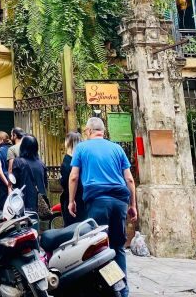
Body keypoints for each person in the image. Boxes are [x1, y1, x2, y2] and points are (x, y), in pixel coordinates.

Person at [68, 117, 137, 297]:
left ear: (89, 131)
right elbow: (129, 179)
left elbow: (74, 176)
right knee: (118, 246)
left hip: (98, 201)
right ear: (103, 132)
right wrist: (133, 205)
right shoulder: (117, 148)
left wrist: (71, 200)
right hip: (120, 201)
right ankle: (122, 290)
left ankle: (107, 290)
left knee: (99, 246)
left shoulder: (81, 148)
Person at [12, 135, 48, 215]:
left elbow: (14, 182)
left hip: (24, 204)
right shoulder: (41, 164)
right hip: (40, 205)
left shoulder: (18, 162)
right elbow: (45, 184)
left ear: (23, 147)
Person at [59, 131, 85, 226]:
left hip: (72, 198)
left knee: (72, 228)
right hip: (84, 197)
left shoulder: (67, 160)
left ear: (68, 142)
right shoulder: (84, 159)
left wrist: (71, 200)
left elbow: (67, 180)